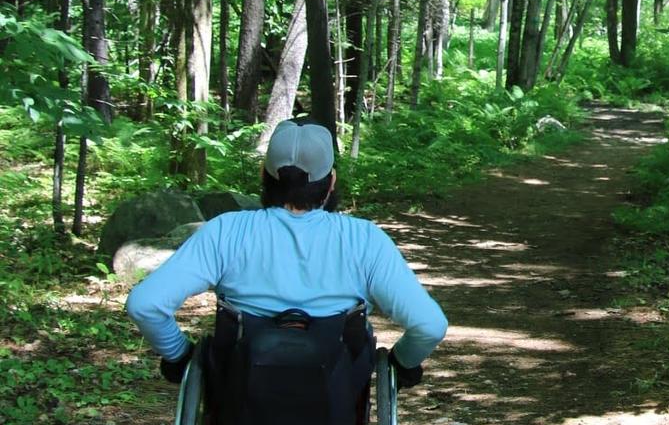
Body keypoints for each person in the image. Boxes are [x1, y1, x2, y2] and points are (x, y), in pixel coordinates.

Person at [126, 118, 447, 383]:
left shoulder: (226, 231)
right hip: (336, 399)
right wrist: (402, 364)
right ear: (331, 181)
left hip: (241, 396)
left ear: (263, 176)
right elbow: (430, 325)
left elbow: (145, 304)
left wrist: (180, 356)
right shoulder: (364, 239)